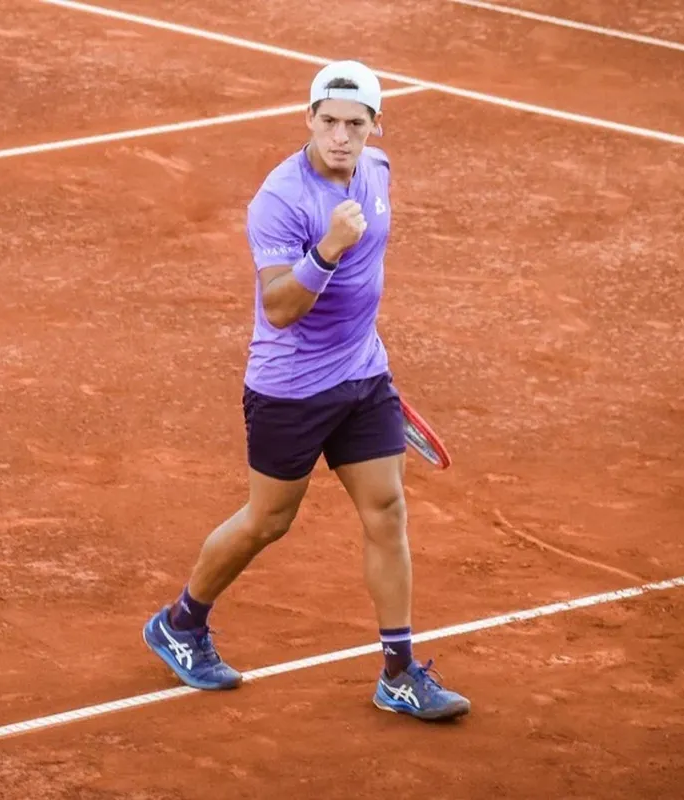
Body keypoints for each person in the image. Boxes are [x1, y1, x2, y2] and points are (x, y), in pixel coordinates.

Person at [142, 60, 471, 721]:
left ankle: (400, 672)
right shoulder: (279, 200)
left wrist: (363, 355)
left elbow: (366, 280)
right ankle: (180, 623)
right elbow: (281, 307)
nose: (341, 136)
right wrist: (328, 249)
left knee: (388, 514)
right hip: (289, 389)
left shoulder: (377, 173)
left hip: (363, 377)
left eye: (355, 124)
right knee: (269, 520)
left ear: (376, 126)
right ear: (309, 120)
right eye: (329, 122)